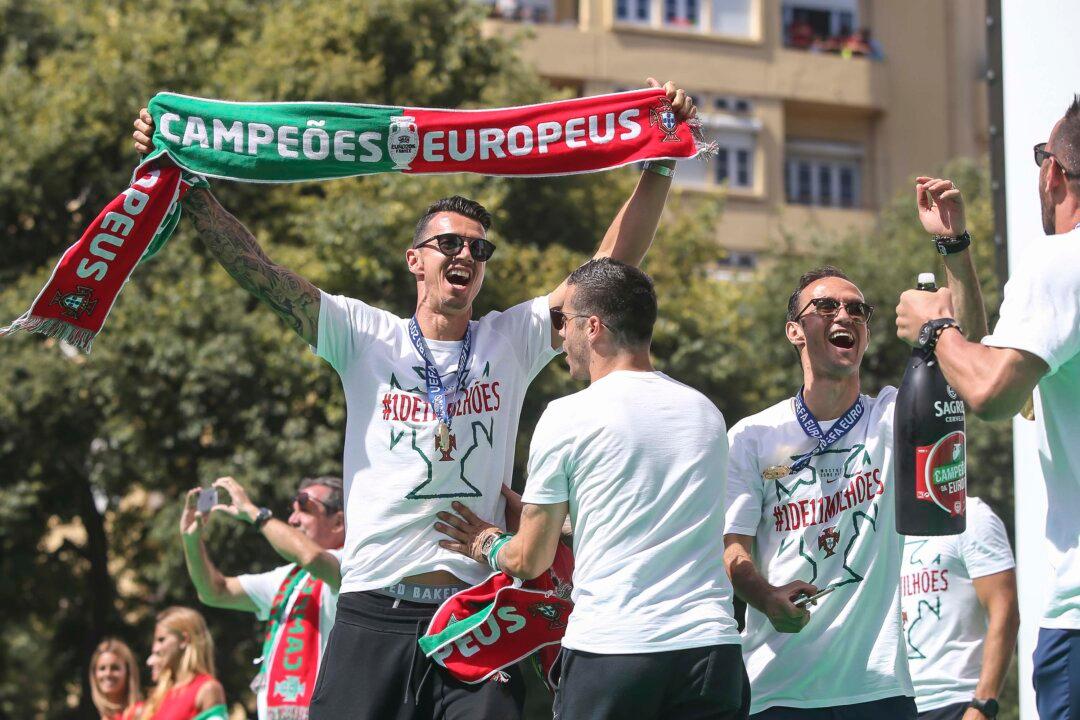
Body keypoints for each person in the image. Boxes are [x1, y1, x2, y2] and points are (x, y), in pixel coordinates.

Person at [132, 78, 696, 720]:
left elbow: (606, 267)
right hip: (372, 608)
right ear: (414, 260)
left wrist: (657, 164)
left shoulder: (509, 340)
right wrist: (188, 185)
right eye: (449, 243)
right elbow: (263, 273)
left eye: (479, 249)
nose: (466, 255)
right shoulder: (363, 335)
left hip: (474, 615)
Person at [434, 258, 748, 720]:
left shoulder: (568, 415)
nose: (559, 335)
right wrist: (566, 523)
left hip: (615, 651)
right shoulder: (705, 412)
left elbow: (529, 560)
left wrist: (487, 542)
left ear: (593, 327)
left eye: (564, 321)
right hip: (712, 652)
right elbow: (651, 517)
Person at [722, 176, 986, 719]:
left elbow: (973, 351)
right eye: (825, 308)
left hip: (879, 689)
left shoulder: (896, 415)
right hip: (778, 689)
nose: (844, 316)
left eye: (857, 310)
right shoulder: (752, 435)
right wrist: (762, 596)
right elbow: (734, 548)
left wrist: (953, 246)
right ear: (795, 331)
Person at [895, 96, 1080, 719]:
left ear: (1053, 172)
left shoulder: (1063, 259)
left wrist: (932, 329)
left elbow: (990, 394)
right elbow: (992, 365)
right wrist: (957, 251)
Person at [180, 475, 344, 720]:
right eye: (292, 510)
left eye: (305, 508)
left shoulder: (351, 565)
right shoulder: (290, 578)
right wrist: (191, 541)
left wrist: (252, 511)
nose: (292, 519)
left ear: (339, 522)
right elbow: (215, 591)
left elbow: (312, 558)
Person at [901, 496, 1019, 720]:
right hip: (894, 704)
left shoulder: (969, 514)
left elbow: (1005, 610)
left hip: (955, 701)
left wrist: (983, 705)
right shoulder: (882, 530)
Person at [141, 606, 226, 720]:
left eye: (161, 640)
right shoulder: (162, 692)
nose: (155, 649)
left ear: (184, 640)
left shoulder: (208, 689)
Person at [90, 638, 142, 720]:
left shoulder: (141, 713)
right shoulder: (106, 717)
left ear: (128, 672)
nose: (108, 674)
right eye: (102, 668)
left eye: (115, 668)